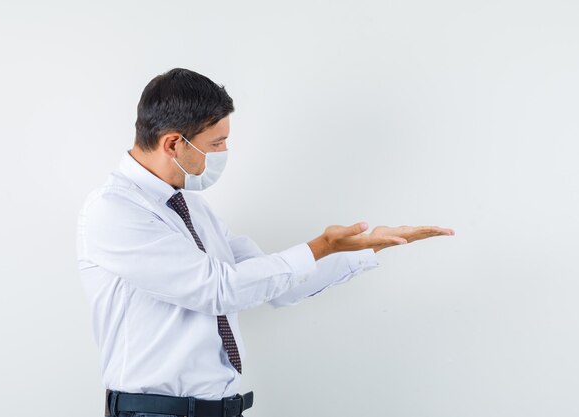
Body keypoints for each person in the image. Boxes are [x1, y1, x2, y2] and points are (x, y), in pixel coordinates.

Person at [76, 67, 455, 417]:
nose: (224, 153)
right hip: (156, 411)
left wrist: (365, 248)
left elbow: (275, 284)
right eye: (217, 143)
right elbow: (218, 290)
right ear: (175, 143)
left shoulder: (191, 206)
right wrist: (321, 245)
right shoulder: (114, 211)